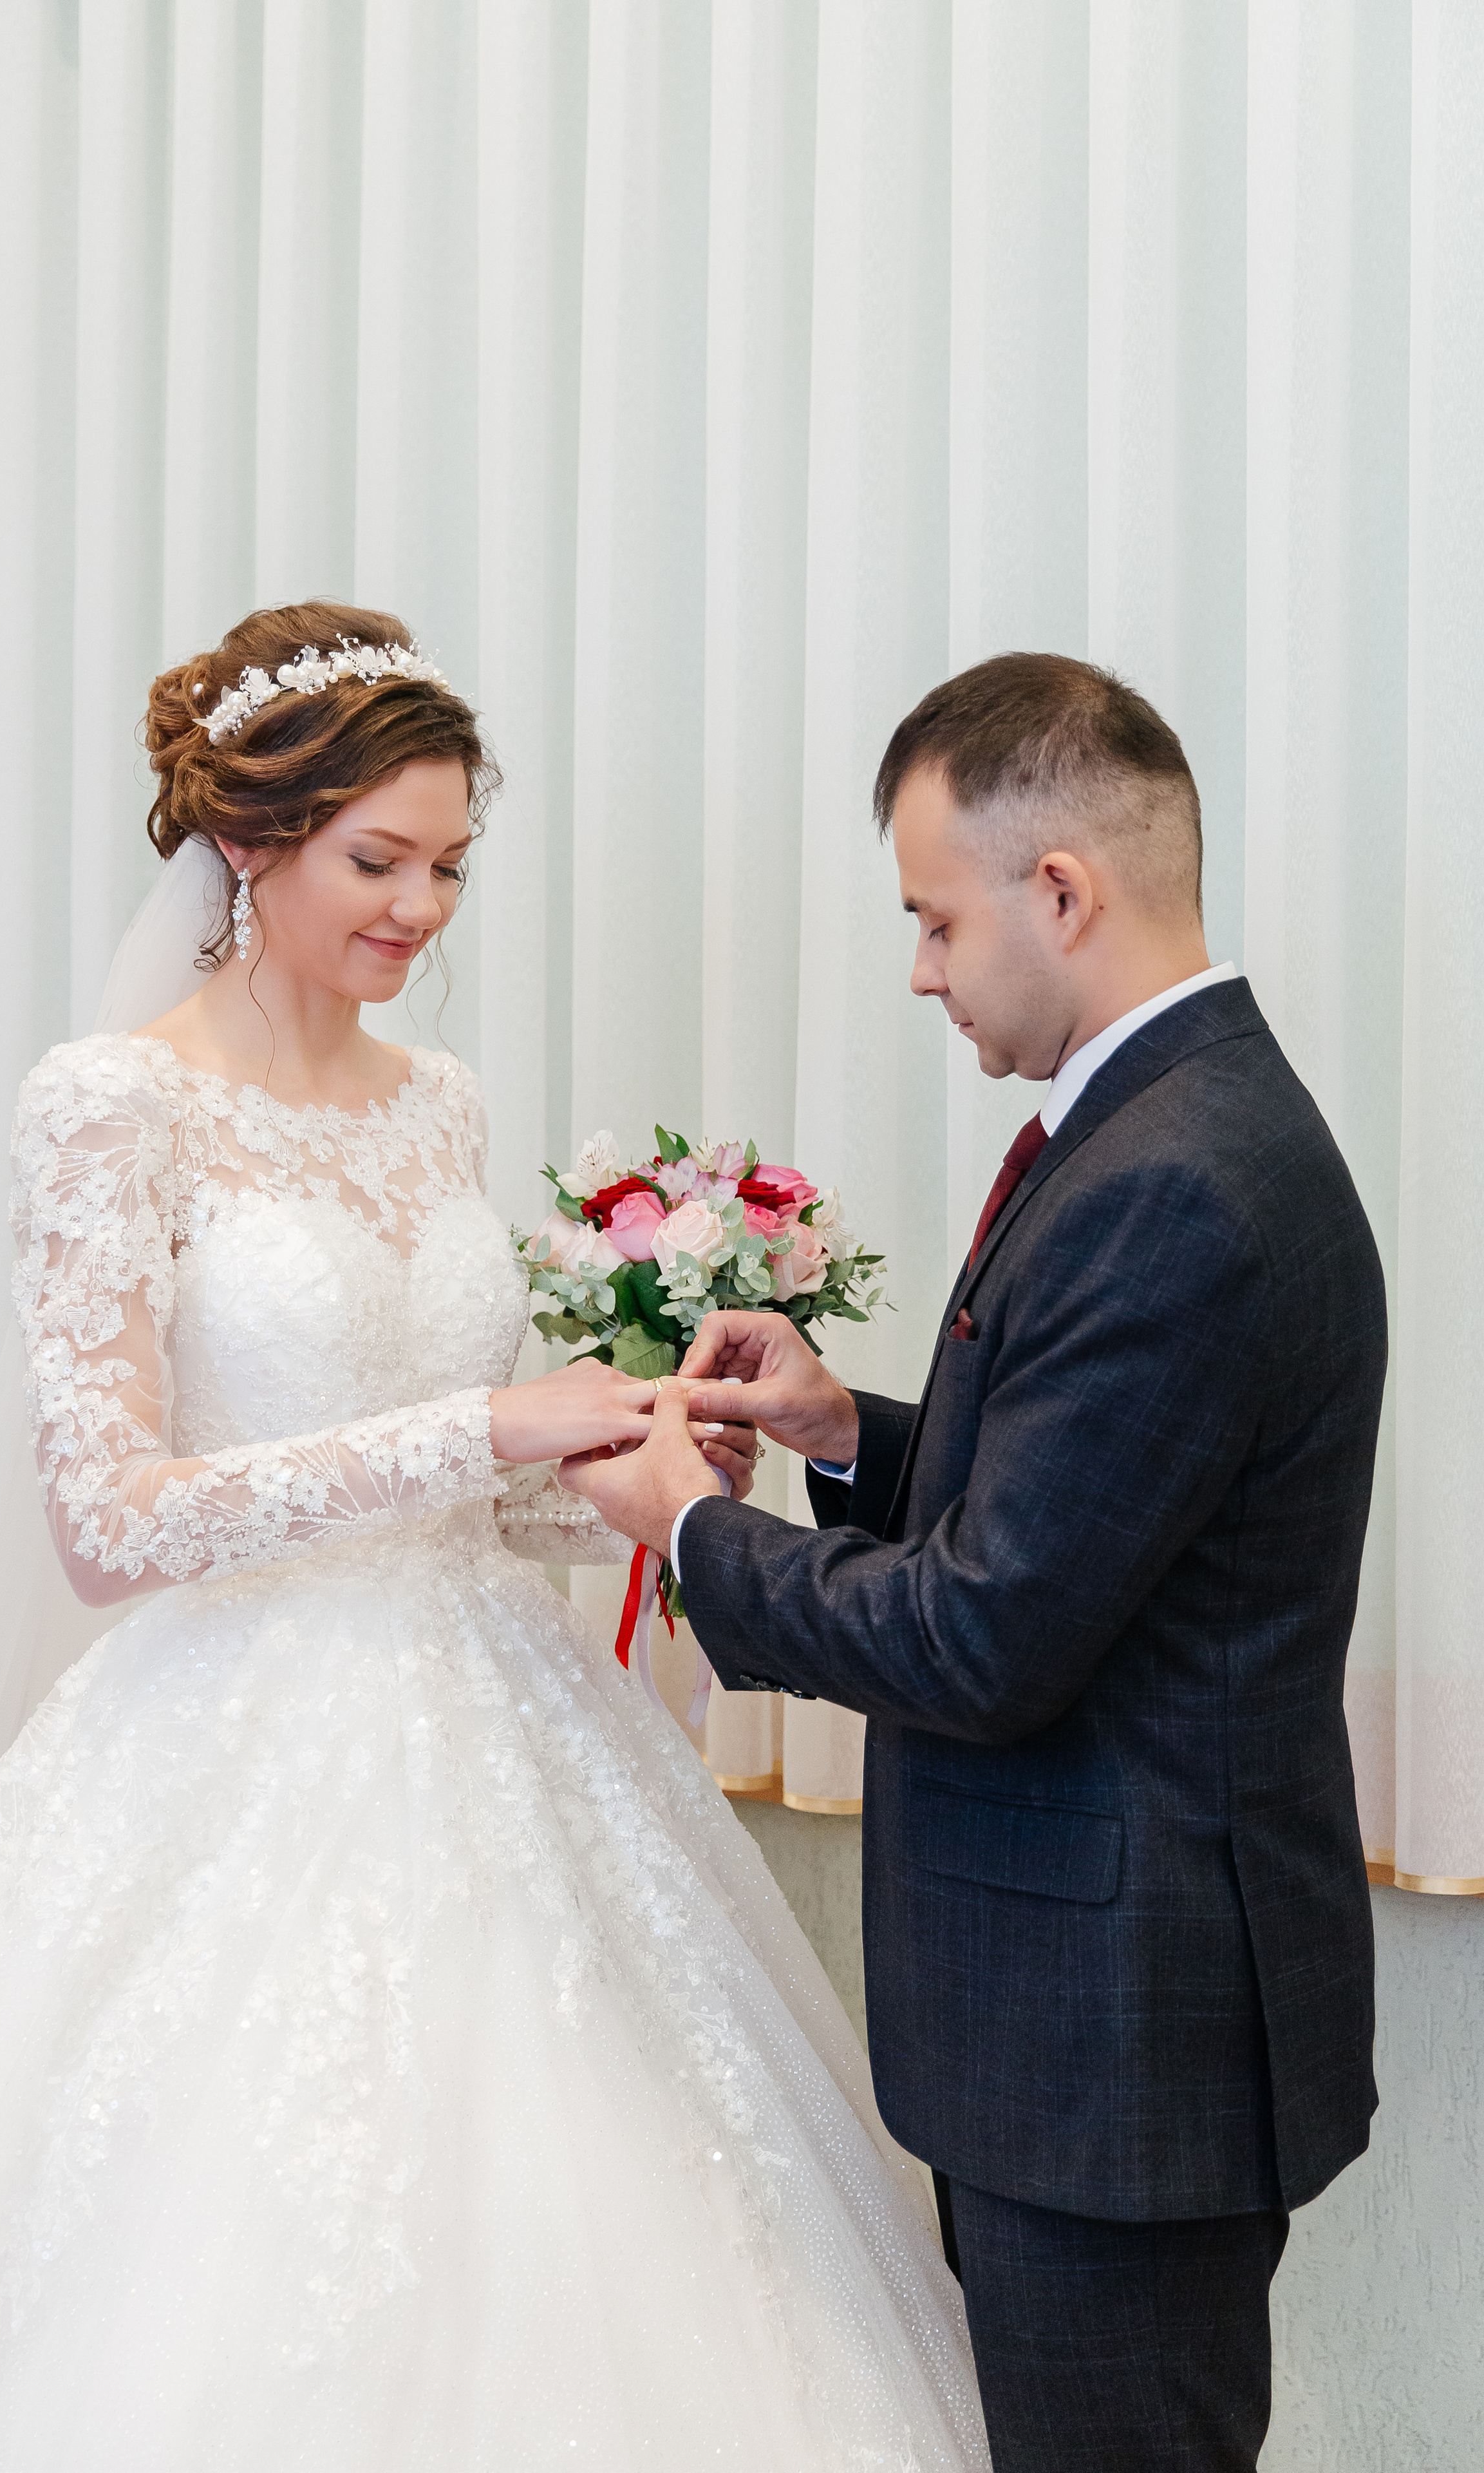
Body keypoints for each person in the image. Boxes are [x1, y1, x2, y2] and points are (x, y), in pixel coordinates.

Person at [0, 602, 990, 2473]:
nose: (423, 912)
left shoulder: (430, 1105)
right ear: (247, 842)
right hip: (226, 1749)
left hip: (502, 1715)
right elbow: (112, 1519)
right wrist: (485, 1421)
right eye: (381, 861)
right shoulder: (111, 1103)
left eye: (451, 866)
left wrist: (643, 1453)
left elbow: (470, 1485)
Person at [566, 652, 1387, 2473]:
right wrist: (848, 1431)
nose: (923, 970)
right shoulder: (1173, 1126)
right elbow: (1091, 1512)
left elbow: (992, 1636)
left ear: (1064, 892)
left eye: (936, 921)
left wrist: (690, 1529)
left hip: (1118, 2051)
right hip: (1090, 2032)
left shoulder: (1177, 1177)